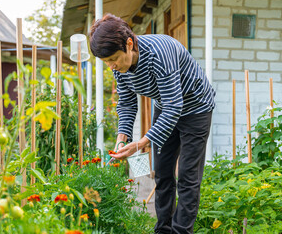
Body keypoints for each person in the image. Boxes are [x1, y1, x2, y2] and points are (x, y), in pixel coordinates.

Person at [89, 13, 215, 234]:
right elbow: (127, 103)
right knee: (163, 172)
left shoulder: (159, 53)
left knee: (187, 176)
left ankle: (181, 231)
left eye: (113, 59)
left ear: (129, 44)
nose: (111, 66)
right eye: (106, 62)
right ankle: (163, 230)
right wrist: (123, 137)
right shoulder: (120, 67)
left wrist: (143, 142)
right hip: (166, 106)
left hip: (196, 108)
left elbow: (175, 106)